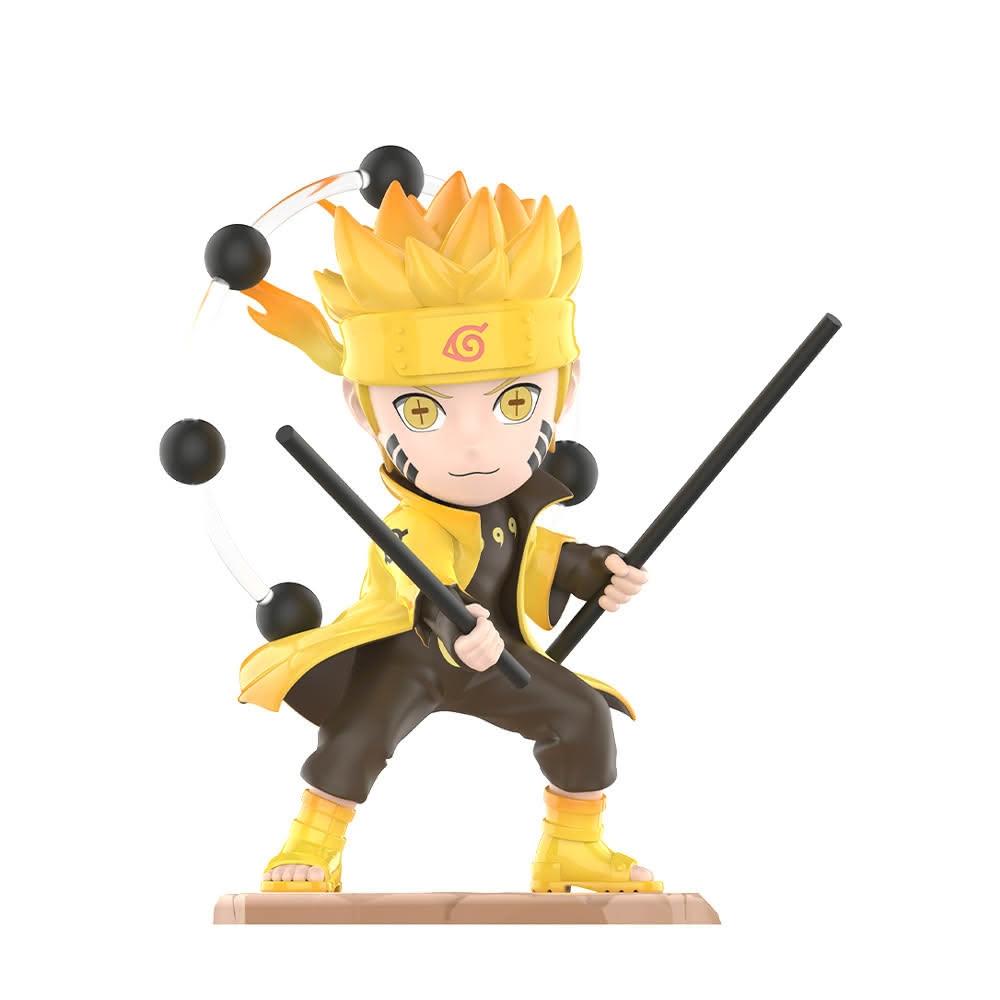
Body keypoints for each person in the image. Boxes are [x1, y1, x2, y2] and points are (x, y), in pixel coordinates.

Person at [238, 173, 660, 894]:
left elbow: (533, 554)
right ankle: (312, 843)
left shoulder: (508, 508)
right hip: (408, 655)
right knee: (358, 737)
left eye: (514, 402)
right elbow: (419, 580)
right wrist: (456, 621)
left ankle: (572, 847)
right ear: (364, 409)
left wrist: (595, 569)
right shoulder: (410, 521)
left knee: (584, 717)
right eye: (424, 412)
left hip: (497, 659)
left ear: (564, 388)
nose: (473, 442)